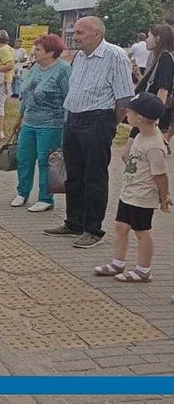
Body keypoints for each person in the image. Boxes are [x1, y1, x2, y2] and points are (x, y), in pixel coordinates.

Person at [44, 16, 136, 248]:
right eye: (75, 32)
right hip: (73, 118)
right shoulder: (80, 57)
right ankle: (74, 222)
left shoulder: (114, 56)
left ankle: (93, 229)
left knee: (94, 176)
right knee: (73, 174)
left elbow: (124, 97)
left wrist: (109, 124)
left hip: (98, 119)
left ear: (96, 33)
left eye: (79, 32)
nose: (75, 37)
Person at [93, 92, 170, 282]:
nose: (127, 113)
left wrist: (164, 198)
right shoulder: (140, 135)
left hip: (142, 196)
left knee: (142, 232)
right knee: (120, 226)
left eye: (130, 111)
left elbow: (161, 176)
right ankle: (118, 263)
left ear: (140, 118)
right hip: (129, 193)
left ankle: (144, 269)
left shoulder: (154, 145)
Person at [12, 34, 71, 213]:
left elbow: (69, 99)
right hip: (30, 121)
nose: (34, 52)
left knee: (46, 162)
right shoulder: (36, 67)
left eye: (38, 49)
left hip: (51, 124)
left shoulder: (63, 70)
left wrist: (68, 125)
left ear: (51, 52)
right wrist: (19, 118)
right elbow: (27, 95)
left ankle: (46, 198)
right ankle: (22, 192)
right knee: (24, 158)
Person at [129, 24, 174, 139]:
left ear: (158, 38)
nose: (147, 40)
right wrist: (139, 74)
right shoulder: (159, 57)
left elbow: (163, 89)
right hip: (147, 113)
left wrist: (155, 117)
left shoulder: (165, 57)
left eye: (149, 36)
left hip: (148, 115)